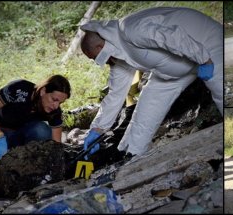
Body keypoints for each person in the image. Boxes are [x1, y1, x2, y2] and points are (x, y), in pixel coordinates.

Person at [79, 7, 223, 158]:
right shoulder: (117, 55)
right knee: (147, 108)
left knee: (220, 89)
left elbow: (172, 37)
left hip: (206, 46)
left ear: (100, 47)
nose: (97, 62)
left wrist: (204, 60)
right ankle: (131, 156)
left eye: (95, 57)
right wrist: (97, 129)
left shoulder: (131, 29)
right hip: (173, 68)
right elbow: (115, 94)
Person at [0, 75, 71, 186]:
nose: (56, 106)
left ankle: (28, 175)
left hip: (19, 145)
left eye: (60, 103)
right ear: (43, 91)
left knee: (41, 129)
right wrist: (0, 136)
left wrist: (58, 170)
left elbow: (56, 146)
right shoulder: (20, 89)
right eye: (54, 99)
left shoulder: (54, 111)